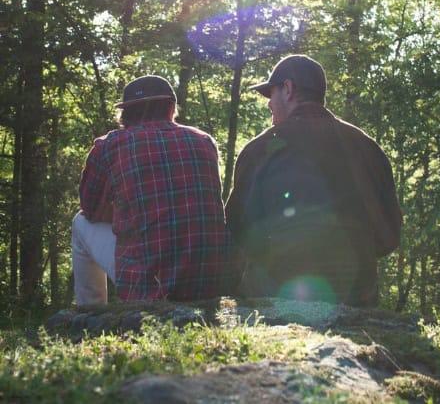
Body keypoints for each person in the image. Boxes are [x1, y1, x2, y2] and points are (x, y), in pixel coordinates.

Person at [226, 55, 402, 306]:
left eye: (271, 94)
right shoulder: (367, 148)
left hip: (274, 298)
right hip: (355, 300)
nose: (269, 105)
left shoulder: (260, 149)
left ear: (288, 89)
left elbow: (236, 230)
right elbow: (389, 238)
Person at [72, 75, 232, 305]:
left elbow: (90, 209)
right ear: (171, 107)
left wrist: (127, 214)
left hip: (148, 286)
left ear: (126, 113)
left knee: (80, 223)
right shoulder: (204, 141)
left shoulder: (110, 145)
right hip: (209, 281)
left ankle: (91, 313)